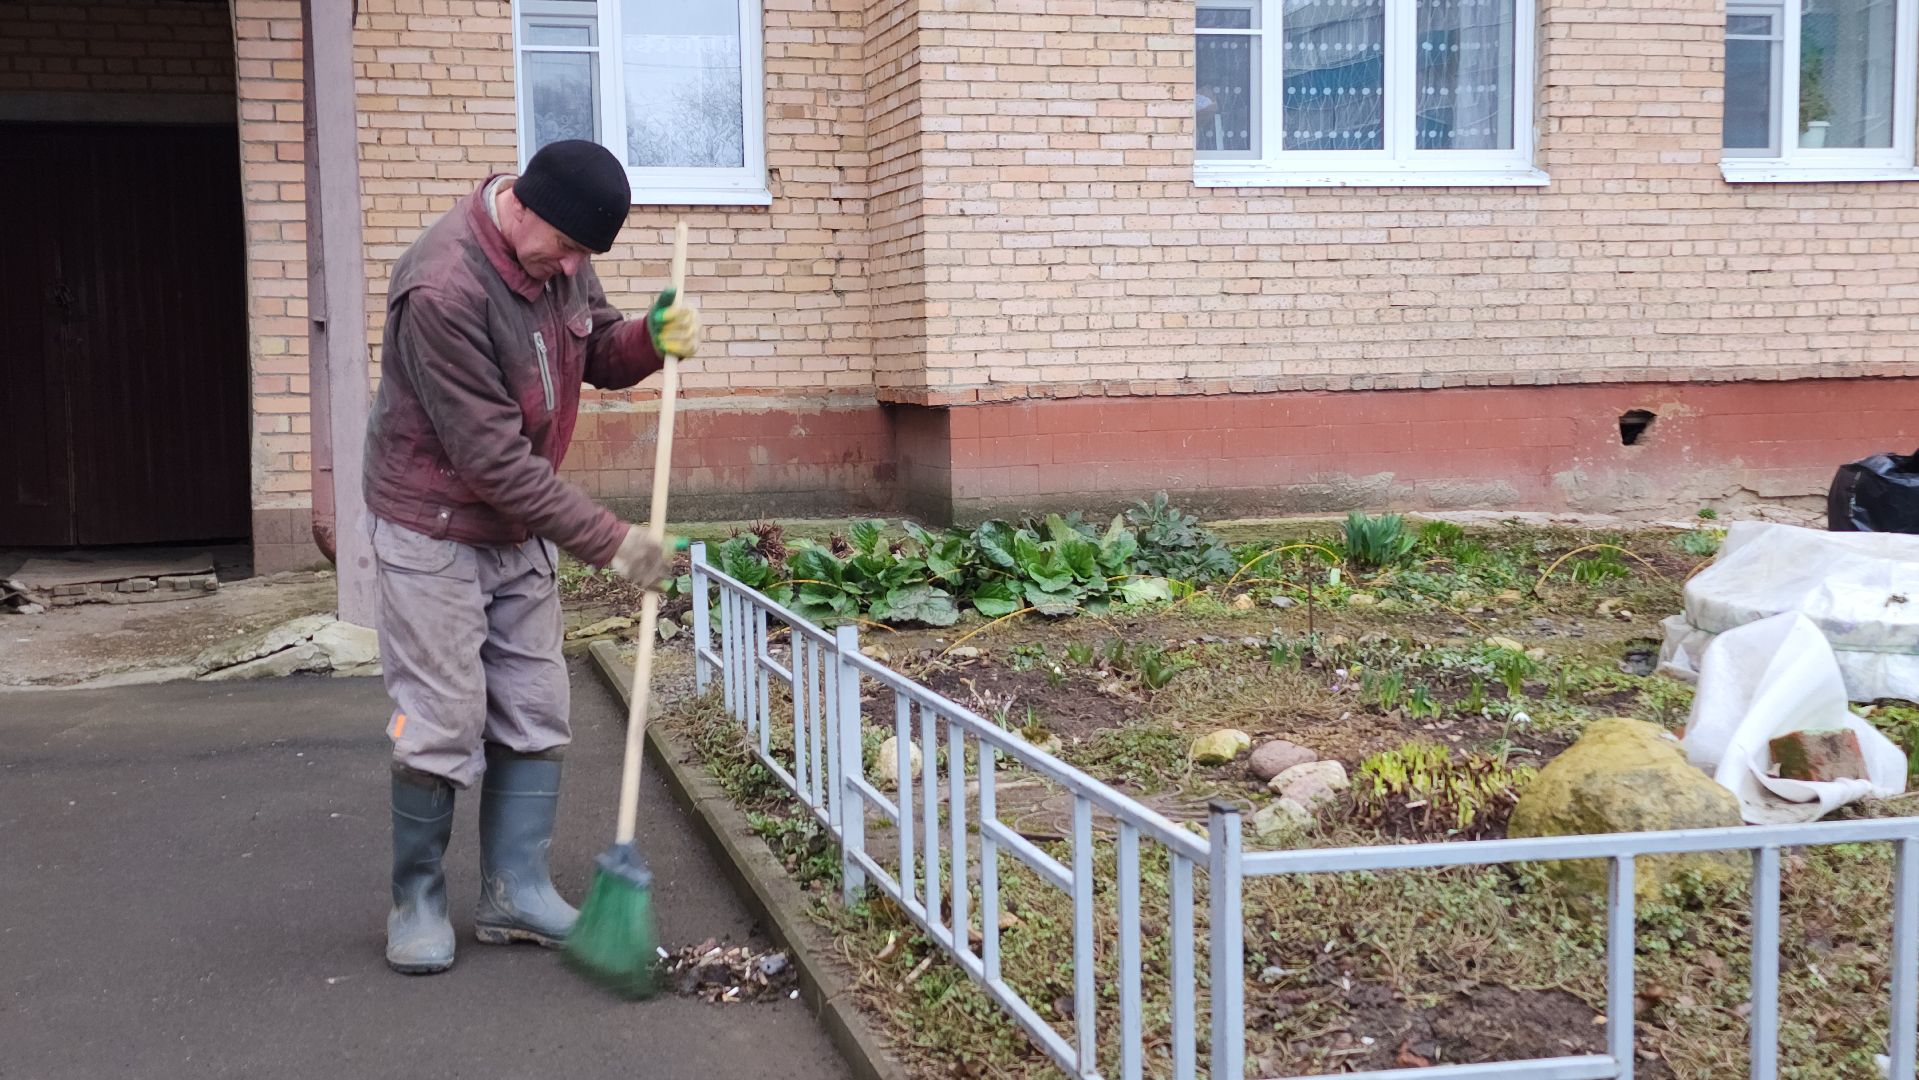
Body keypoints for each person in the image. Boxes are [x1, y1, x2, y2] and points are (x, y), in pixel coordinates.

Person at [359, 139, 699, 974]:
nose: (577, 268)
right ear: (525, 206)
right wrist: (616, 544)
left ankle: (515, 891)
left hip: (515, 526)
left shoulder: (559, 259)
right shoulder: (443, 285)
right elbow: (492, 463)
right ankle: (417, 898)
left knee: (536, 701)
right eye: (572, 248)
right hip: (432, 525)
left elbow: (597, 348)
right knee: (440, 718)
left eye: (587, 256)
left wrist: (650, 339)